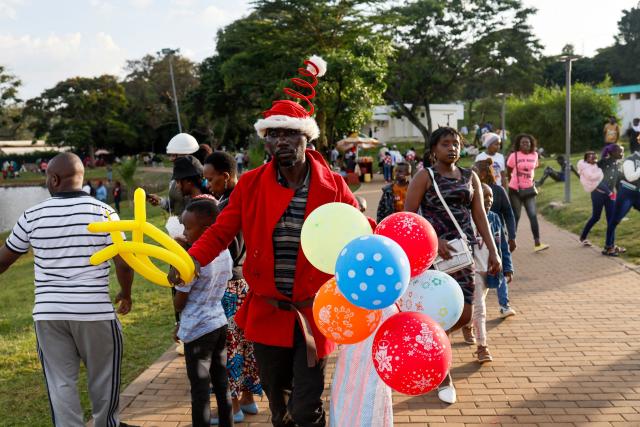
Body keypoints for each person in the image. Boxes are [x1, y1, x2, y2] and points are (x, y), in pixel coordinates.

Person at [169, 55, 358, 427]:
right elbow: (221, 231)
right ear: (266, 140)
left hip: (310, 315)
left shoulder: (332, 184)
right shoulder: (252, 185)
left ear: (307, 137)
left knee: (306, 408)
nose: (281, 141)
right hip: (267, 313)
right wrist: (189, 262)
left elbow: (357, 231)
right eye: (273, 134)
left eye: (290, 133)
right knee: (280, 408)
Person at [0, 152, 135, 427]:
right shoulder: (104, 212)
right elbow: (124, 262)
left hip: (49, 315)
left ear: (54, 178)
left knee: (60, 382)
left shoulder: (32, 215)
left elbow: (3, 260)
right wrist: (126, 292)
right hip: (94, 312)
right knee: (104, 376)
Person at [405, 126, 501, 404]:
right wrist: (435, 240)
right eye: (445, 144)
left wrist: (493, 252)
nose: (452, 148)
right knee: (440, 310)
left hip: (463, 254)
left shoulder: (470, 177)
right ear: (434, 149)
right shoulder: (425, 176)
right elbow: (409, 216)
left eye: (456, 143)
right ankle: (442, 371)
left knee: (466, 313)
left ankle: (435, 343)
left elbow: (480, 216)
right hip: (433, 257)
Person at [203, 151, 263, 423]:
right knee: (245, 343)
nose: (208, 185)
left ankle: (232, 406)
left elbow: (225, 246)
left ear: (225, 177)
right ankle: (249, 399)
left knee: (227, 347)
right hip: (245, 283)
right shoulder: (248, 197)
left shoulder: (228, 204)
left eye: (211, 179)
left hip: (228, 285)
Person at [173, 199, 234, 427]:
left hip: (198, 331)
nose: (185, 233)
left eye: (188, 228)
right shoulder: (224, 252)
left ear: (207, 230)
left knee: (199, 391)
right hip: (218, 322)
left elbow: (179, 303)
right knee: (221, 384)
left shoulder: (191, 262)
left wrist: (177, 264)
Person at [471, 184, 514, 363]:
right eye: (484, 197)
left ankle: (468, 326)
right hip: (471, 271)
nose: (488, 201)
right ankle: (482, 347)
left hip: (490, 271)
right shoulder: (467, 219)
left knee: (475, 307)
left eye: (490, 198)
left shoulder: (495, 218)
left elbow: (503, 245)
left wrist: (508, 267)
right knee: (480, 308)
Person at [474, 159, 517, 318]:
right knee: (480, 284)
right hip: (478, 243)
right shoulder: (471, 191)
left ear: (483, 173)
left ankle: (504, 305)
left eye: (475, 171)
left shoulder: (498, 191)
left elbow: (509, 213)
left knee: (501, 271)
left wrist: (512, 236)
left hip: (496, 236)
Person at [506, 134, 549, 252]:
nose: (526, 145)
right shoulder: (514, 156)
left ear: (531, 144)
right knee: (516, 215)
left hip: (529, 189)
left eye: (528, 143)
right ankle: (511, 242)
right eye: (523, 143)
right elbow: (509, 170)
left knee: (533, 215)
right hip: (515, 189)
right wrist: (513, 181)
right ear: (519, 144)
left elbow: (533, 169)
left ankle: (537, 242)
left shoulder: (534, 155)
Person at [147, 133, 200, 216]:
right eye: (170, 155)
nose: (170, 159)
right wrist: (160, 201)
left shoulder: (203, 176)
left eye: (174, 155)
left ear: (185, 154)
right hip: (180, 226)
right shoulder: (176, 176)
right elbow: (173, 205)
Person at [604, 146, 639, 257]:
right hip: (627, 194)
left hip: (638, 194)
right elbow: (630, 177)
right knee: (615, 220)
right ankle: (609, 247)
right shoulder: (630, 160)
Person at [577, 151, 610, 246]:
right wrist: (600, 172)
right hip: (596, 194)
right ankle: (583, 237)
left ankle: (610, 243)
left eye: (594, 156)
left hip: (605, 192)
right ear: (586, 159)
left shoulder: (595, 166)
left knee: (610, 218)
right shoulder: (585, 168)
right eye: (590, 157)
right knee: (596, 217)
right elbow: (592, 177)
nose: (593, 158)